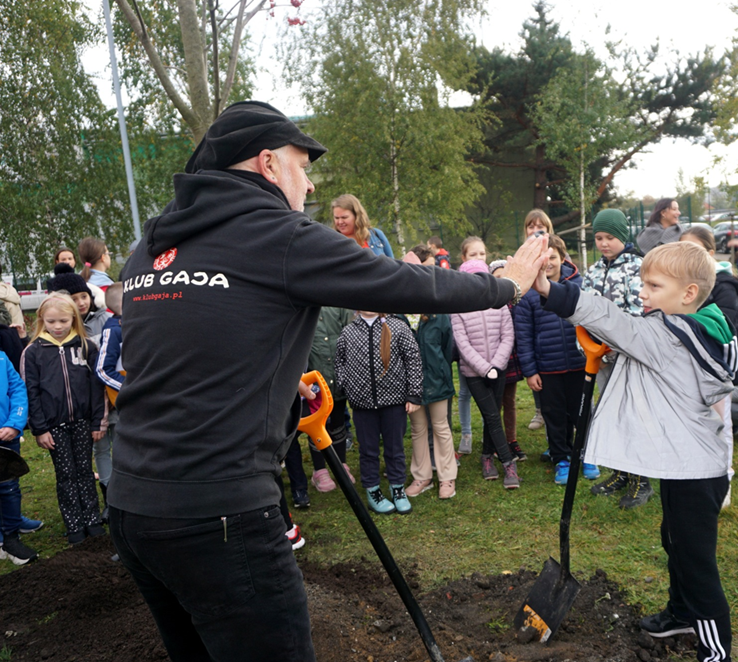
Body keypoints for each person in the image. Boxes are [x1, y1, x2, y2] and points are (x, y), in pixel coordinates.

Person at [109, 101, 546, 662]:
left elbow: (178, 347)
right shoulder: (276, 233)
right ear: (268, 164)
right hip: (218, 514)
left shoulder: (150, 247)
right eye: (301, 164)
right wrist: (503, 286)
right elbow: (397, 282)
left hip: (133, 505)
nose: (310, 183)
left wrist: (274, 378)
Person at [529, 241, 738, 662]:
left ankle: (717, 654)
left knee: (697, 567)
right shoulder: (695, 326)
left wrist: (549, 290)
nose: (643, 292)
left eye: (654, 285)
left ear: (688, 294)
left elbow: (610, 319)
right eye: (643, 282)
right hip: (688, 468)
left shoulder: (666, 334)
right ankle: (681, 613)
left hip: (695, 472)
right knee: (674, 541)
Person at [21, 294, 108, 545]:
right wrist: (39, 429)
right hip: (53, 426)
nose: (57, 326)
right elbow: (32, 392)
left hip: (83, 422)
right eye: (51, 321)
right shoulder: (33, 352)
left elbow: (97, 388)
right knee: (66, 474)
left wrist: (97, 423)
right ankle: (74, 525)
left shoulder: (87, 346)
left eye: (63, 320)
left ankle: (92, 521)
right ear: (41, 320)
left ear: (74, 318)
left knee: (84, 471)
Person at [582, 209, 652, 508]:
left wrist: (615, 346)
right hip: (599, 359)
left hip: (627, 359)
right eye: (598, 237)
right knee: (609, 415)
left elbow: (638, 318)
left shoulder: (637, 269)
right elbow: (582, 311)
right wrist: (588, 347)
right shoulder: (594, 271)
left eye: (610, 237)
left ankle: (641, 480)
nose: (604, 243)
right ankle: (620, 473)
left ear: (623, 236)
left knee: (632, 416)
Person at [680, 226, 738, 509]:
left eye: (694, 250)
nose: (687, 257)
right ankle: (695, 477)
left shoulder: (724, 287)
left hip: (716, 373)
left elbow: (724, 328)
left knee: (720, 427)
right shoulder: (681, 283)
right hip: (686, 370)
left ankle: (724, 483)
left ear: (710, 253)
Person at [515, 234, 593, 485]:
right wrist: (530, 370)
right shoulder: (528, 295)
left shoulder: (579, 285)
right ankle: (562, 458)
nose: (548, 263)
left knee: (581, 413)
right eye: (543, 259)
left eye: (553, 257)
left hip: (580, 363)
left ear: (562, 258)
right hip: (548, 367)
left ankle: (586, 453)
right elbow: (524, 335)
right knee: (555, 415)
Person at [336, 311, 423, 513]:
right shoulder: (348, 332)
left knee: (395, 448)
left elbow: (413, 359)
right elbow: (339, 362)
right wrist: (345, 386)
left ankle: (397, 487)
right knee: (368, 450)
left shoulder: (398, 327)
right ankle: (372, 489)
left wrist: (413, 394)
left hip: (394, 402)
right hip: (362, 405)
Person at [452, 259, 519, 489]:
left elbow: (507, 336)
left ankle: (486, 456)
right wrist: (485, 368)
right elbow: (463, 343)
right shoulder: (459, 308)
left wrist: (497, 365)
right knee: (491, 415)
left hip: (499, 369)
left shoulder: (499, 305)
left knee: (494, 413)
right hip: (474, 372)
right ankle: (509, 463)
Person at [0, 304, 38, 565]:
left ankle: (11, 539)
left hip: (7, 437)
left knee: (10, 488)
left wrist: (15, 423)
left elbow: (18, 389)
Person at [405, 296, 458, 499]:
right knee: (418, 429)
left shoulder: (439, 316)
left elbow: (447, 349)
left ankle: (447, 477)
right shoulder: (398, 318)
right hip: (411, 385)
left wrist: (440, 371)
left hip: (437, 381)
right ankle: (421, 477)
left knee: (440, 426)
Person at [302, 306, 356, 497]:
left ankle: (341, 464)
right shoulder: (305, 307)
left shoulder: (337, 306)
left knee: (339, 422)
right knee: (318, 424)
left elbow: (349, 330)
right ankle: (320, 470)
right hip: (315, 379)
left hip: (337, 375)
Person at [488, 260, 527, 461]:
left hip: (511, 358)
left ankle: (512, 440)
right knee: (495, 402)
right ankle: (496, 441)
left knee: (509, 401)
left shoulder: (516, 303)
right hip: (492, 359)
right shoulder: (489, 305)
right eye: (497, 278)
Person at [454, 236, 489, 455]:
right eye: (473, 254)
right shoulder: (458, 283)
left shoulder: (491, 282)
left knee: (490, 396)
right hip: (466, 350)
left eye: (482, 253)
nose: (478, 257)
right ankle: (466, 434)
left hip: (489, 350)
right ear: (464, 257)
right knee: (465, 392)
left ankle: (490, 433)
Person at [94, 283, 126, 519]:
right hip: (121, 402)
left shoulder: (137, 324)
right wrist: (129, 389)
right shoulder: (113, 330)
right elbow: (104, 370)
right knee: (108, 449)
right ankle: (112, 499)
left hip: (138, 404)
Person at [522, 210, 553, 432]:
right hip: (529, 313)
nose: (535, 231)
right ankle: (540, 409)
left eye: (540, 227)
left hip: (552, 315)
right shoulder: (522, 256)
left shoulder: (555, 254)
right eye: (531, 227)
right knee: (533, 355)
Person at [48, 266, 112, 349]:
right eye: (74, 299)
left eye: (84, 297)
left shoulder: (107, 319)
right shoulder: (58, 327)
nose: (81, 303)